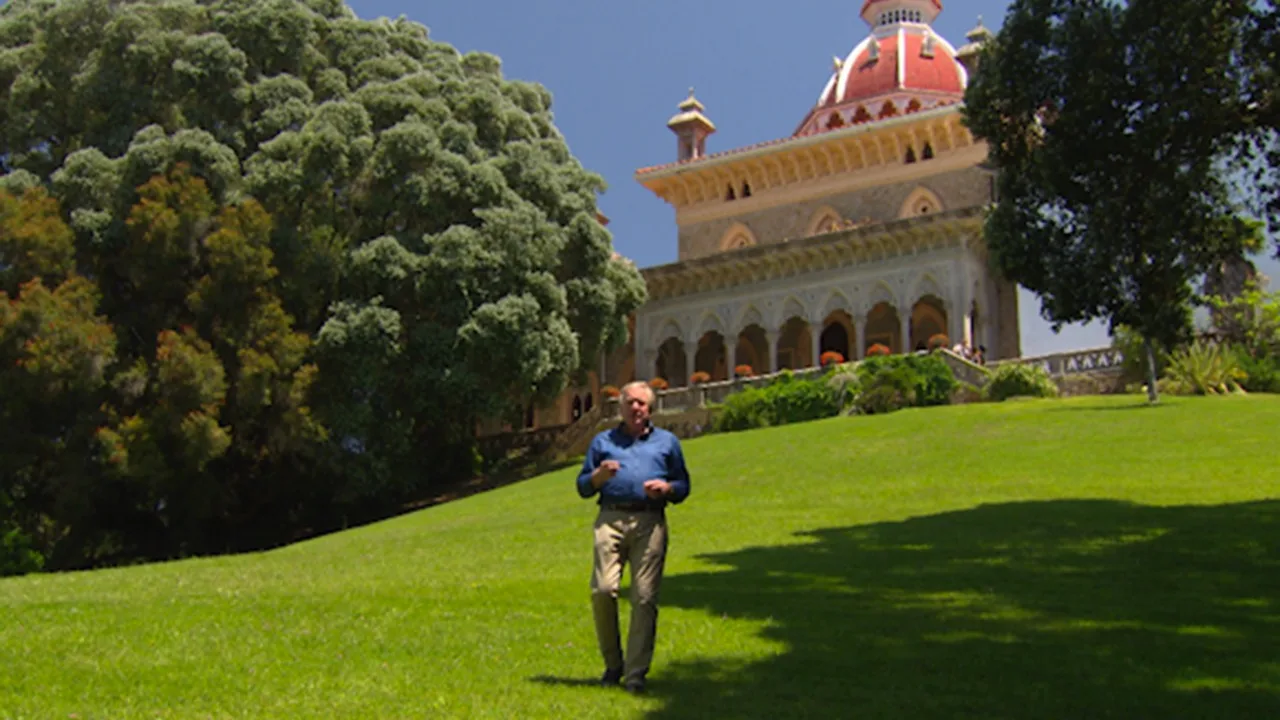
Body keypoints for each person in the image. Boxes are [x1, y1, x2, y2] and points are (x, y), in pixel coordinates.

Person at [575, 380, 691, 694]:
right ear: (621, 407)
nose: (636, 408)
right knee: (603, 590)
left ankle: (636, 674)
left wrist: (667, 489)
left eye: (641, 403)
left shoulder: (667, 443)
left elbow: (683, 486)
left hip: (650, 522)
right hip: (609, 519)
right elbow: (583, 486)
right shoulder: (603, 441)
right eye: (630, 402)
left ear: (650, 408)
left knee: (643, 598)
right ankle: (614, 664)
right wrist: (597, 477)